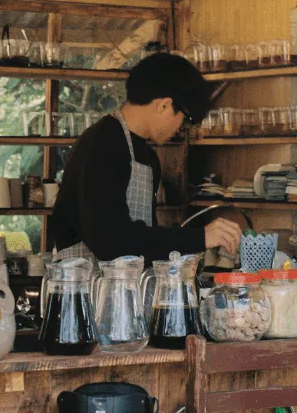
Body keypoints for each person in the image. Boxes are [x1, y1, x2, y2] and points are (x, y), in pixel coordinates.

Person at [49, 52, 242, 262]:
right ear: (164, 106)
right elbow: (109, 241)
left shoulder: (146, 156)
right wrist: (198, 238)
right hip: (82, 287)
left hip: (125, 286)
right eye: (185, 121)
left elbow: (141, 240)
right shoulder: (102, 143)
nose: (181, 130)